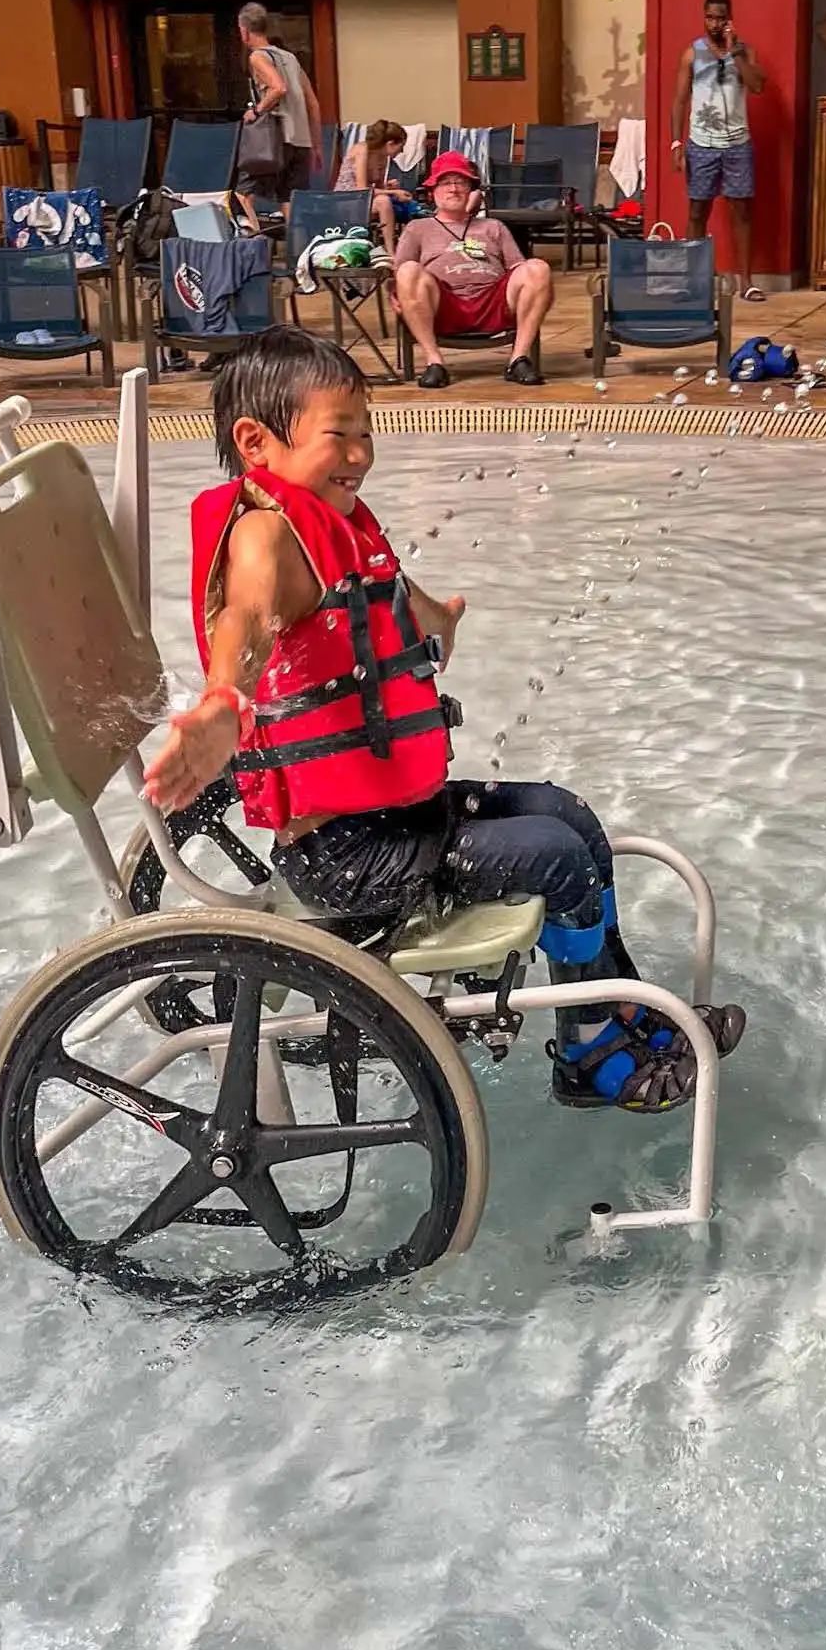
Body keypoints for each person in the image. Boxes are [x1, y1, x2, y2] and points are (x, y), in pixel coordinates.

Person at [142, 330, 745, 1111]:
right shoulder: (266, 540)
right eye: (339, 435)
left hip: (394, 820)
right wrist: (223, 705)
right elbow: (245, 630)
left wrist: (437, 618)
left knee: (566, 814)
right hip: (346, 855)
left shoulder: (336, 524)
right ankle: (589, 1054)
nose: (359, 454)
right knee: (553, 858)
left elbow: (395, 597)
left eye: (366, 434)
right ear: (257, 443)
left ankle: (614, 1000)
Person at [393, 151, 553, 389]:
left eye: (461, 182)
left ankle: (518, 359)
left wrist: (542, 288)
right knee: (408, 271)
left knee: (538, 268)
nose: (454, 189)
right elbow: (399, 274)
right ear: (432, 192)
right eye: (445, 183)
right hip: (444, 304)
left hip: (494, 301)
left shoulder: (493, 226)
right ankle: (434, 362)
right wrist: (395, 295)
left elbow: (520, 268)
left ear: (471, 190)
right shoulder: (418, 228)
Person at [671, 0, 767, 303]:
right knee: (697, 210)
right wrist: (676, 142)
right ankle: (693, 281)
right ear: (704, 17)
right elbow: (680, 100)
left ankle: (746, 282)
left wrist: (735, 51)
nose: (714, 23)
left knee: (742, 210)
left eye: (720, 18)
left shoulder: (745, 52)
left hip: (737, 143)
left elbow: (757, 86)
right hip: (701, 144)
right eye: (709, 17)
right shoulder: (692, 53)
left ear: (730, 19)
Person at [236, 2, 322, 217]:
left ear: (244, 30)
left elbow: (278, 88)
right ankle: (297, 248)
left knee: (243, 195)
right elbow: (313, 103)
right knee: (289, 199)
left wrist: (256, 111)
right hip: (301, 141)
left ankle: (254, 248)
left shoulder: (257, 56)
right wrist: (317, 146)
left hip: (275, 139)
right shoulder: (291, 58)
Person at [334, 118, 410, 258]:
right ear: (390, 143)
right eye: (401, 146)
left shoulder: (384, 158)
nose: (401, 151)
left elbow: (377, 188)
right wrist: (393, 192)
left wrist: (388, 187)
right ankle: (390, 250)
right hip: (345, 201)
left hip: (363, 202)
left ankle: (400, 247)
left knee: (392, 201)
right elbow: (361, 190)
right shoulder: (362, 150)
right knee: (384, 202)